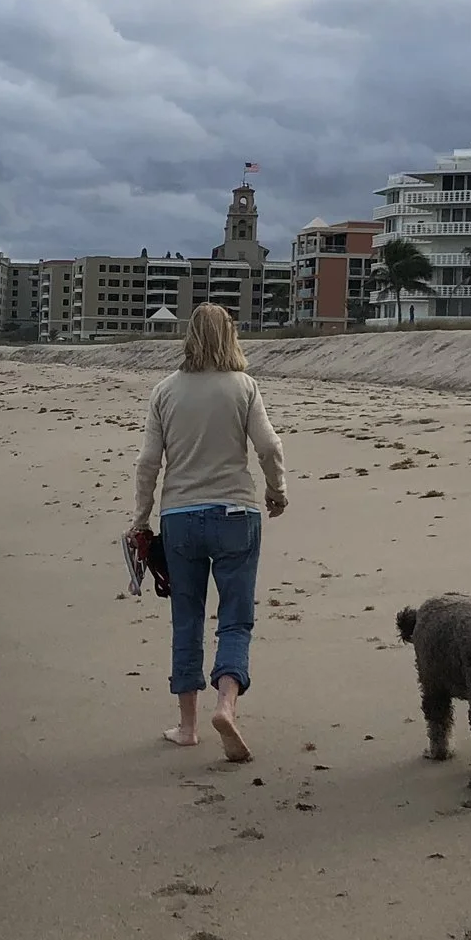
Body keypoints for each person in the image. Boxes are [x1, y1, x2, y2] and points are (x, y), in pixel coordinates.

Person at [131, 303, 286, 762]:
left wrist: (141, 518)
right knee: (236, 618)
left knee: (188, 618)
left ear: (188, 337)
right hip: (237, 513)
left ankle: (187, 726)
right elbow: (269, 446)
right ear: (231, 337)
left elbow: (147, 462)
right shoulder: (245, 387)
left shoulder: (164, 391)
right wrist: (277, 492)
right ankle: (226, 705)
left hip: (179, 517)